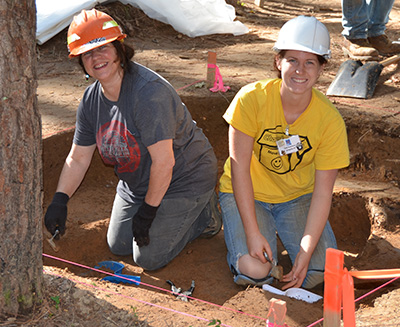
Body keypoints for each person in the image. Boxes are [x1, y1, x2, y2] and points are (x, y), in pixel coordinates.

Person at [44, 9, 221, 271]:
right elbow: (79, 157)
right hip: (137, 183)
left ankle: (205, 215)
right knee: (119, 245)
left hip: (184, 178)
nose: (96, 58)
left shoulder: (148, 94)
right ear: (80, 61)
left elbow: (164, 162)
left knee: (147, 257)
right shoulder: (91, 100)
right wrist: (60, 199)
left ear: (119, 48)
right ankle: (163, 210)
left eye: (103, 47)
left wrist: (149, 211)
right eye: (87, 53)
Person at [218, 16, 350, 290]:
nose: (300, 70)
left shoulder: (329, 120)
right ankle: (238, 230)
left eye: (310, 62)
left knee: (319, 271)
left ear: (321, 67)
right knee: (256, 271)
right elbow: (239, 168)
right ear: (278, 62)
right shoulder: (250, 99)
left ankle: (285, 241)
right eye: (292, 60)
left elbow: (323, 193)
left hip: (297, 197)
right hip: (247, 193)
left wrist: (305, 250)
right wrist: (253, 234)